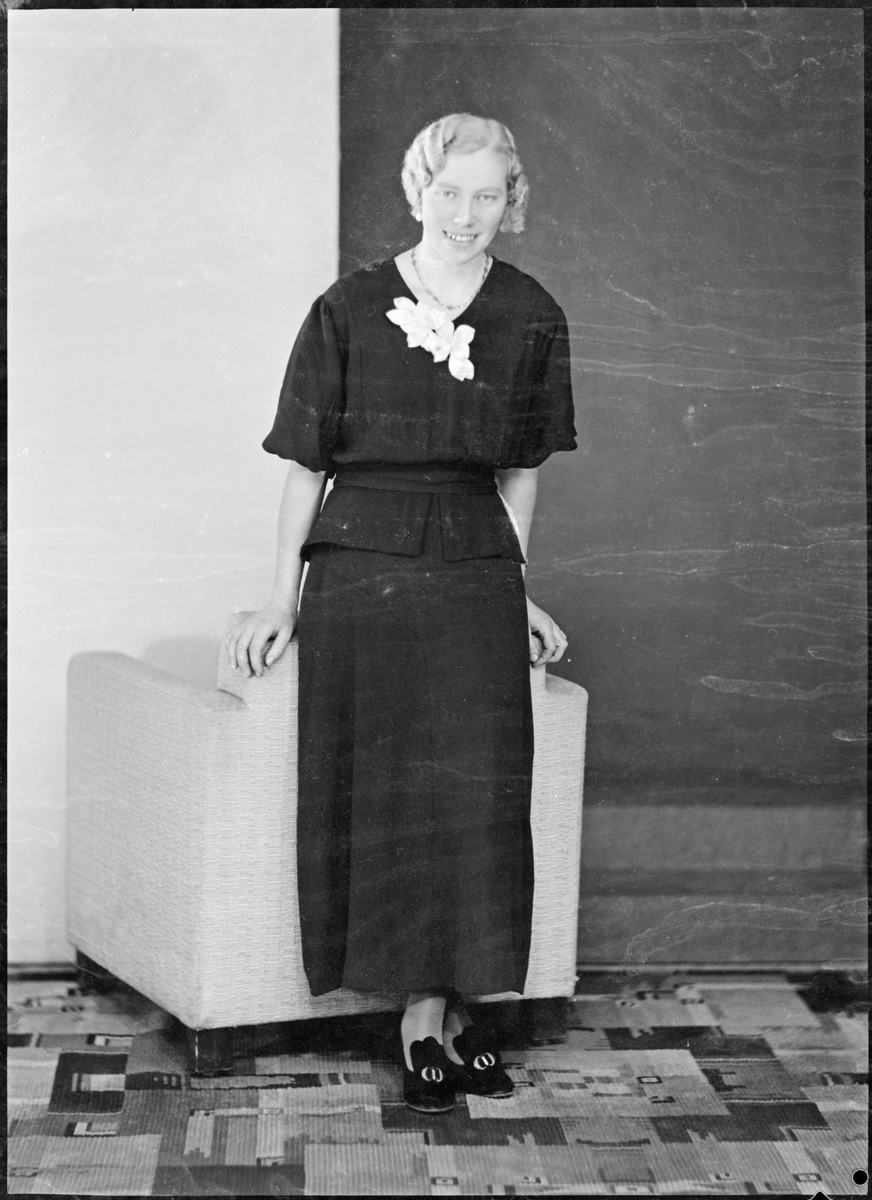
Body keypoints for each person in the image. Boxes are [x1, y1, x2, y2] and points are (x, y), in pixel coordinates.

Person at [226, 113, 576, 1114]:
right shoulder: (345, 308)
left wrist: (513, 585)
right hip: (361, 572)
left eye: (487, 195)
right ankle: (422, 1022)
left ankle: (443, 1011)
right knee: (384, 790)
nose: (466, 214)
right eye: (448, 192)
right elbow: (305, 467)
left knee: (476, 793)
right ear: (417, 190)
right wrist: (279, 597)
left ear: (511, 201)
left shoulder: (531, 313)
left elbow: (518, 471)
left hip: (471, 569)